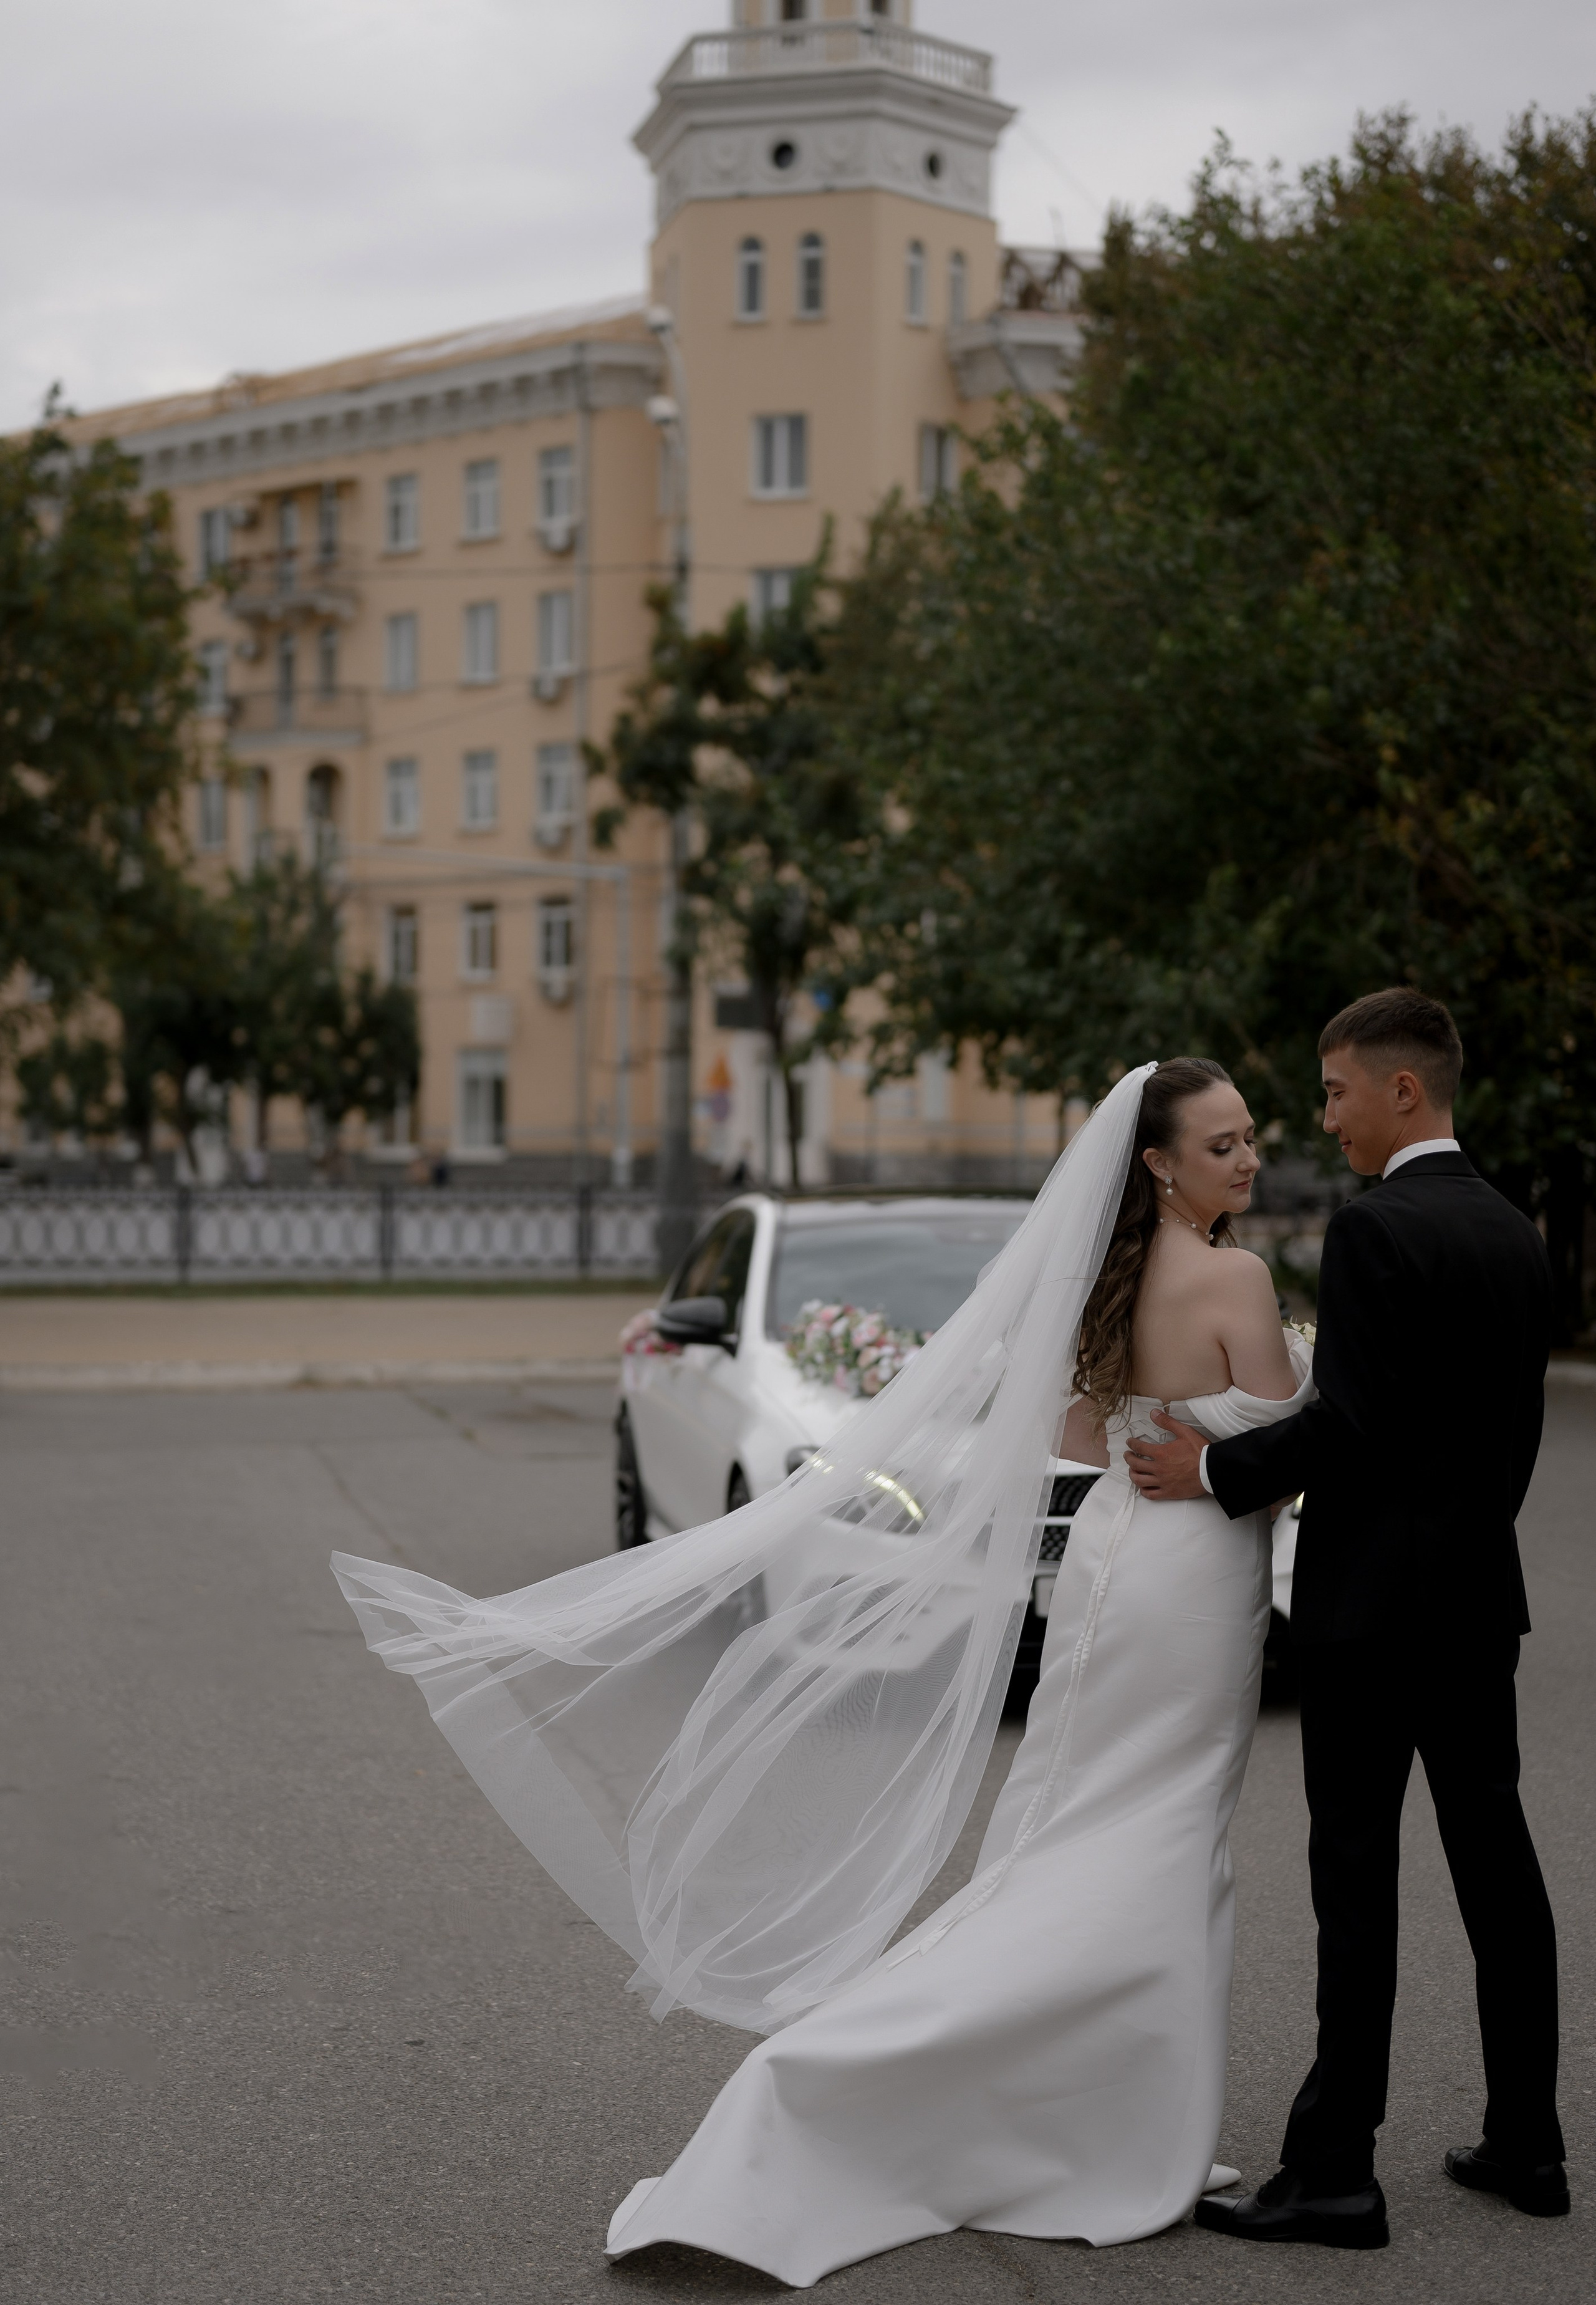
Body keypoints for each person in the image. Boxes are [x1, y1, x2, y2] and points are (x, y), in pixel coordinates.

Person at [335, 1059, 1316, 2284]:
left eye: (1248, 1140)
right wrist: (1248, 1422)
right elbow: (1281, 1460)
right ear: (1159, 1162)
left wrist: (1153, 1431)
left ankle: (1082, 2107)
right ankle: (1032, 2110)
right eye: (1222, 1145)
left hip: (1113, 1560)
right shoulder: (1233, 1276)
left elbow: (1077, 1435)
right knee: (1158, 1837)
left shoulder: (1104, 1280)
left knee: (1076, 1823)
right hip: (1190, 1578)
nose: (1248, 1159)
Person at [1127, 989, 1565, 2248]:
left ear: (1400, 1091)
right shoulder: (1511, 1231)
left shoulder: (1375, 1231)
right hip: (1476, 1601)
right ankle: (1526, 2144)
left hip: (1370, 1612)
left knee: (1355, 1885)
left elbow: (1349, 1420)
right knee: (1498, 1869)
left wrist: (1208, 1474)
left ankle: (1332, 2172)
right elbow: (1511, 1435)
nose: (1321, 1118)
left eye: (1331, 1093)